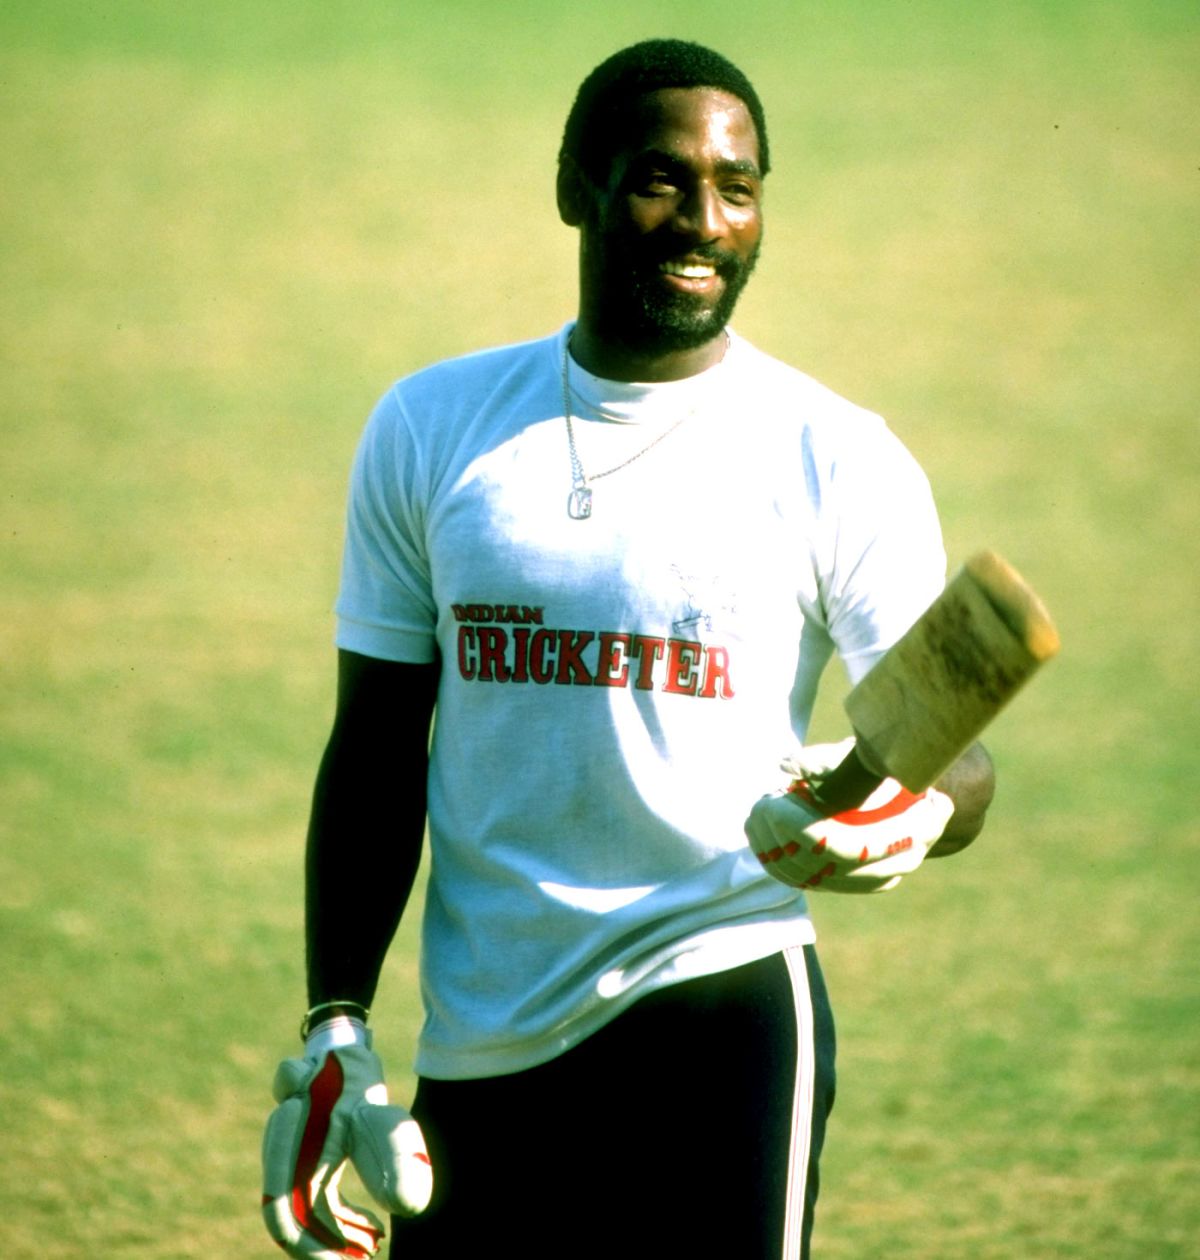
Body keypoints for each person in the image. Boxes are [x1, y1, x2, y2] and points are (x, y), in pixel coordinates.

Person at [261, 38, 995, 1260]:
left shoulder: (837, 455)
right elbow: (378, 746)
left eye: (738, 188)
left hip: (725, 1014)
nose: (705, 222)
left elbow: (958, 761)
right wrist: (336, 1019)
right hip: (482, 1037)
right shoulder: (432, 427)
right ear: (576, 189)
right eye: (662, 180)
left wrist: (908, 810)